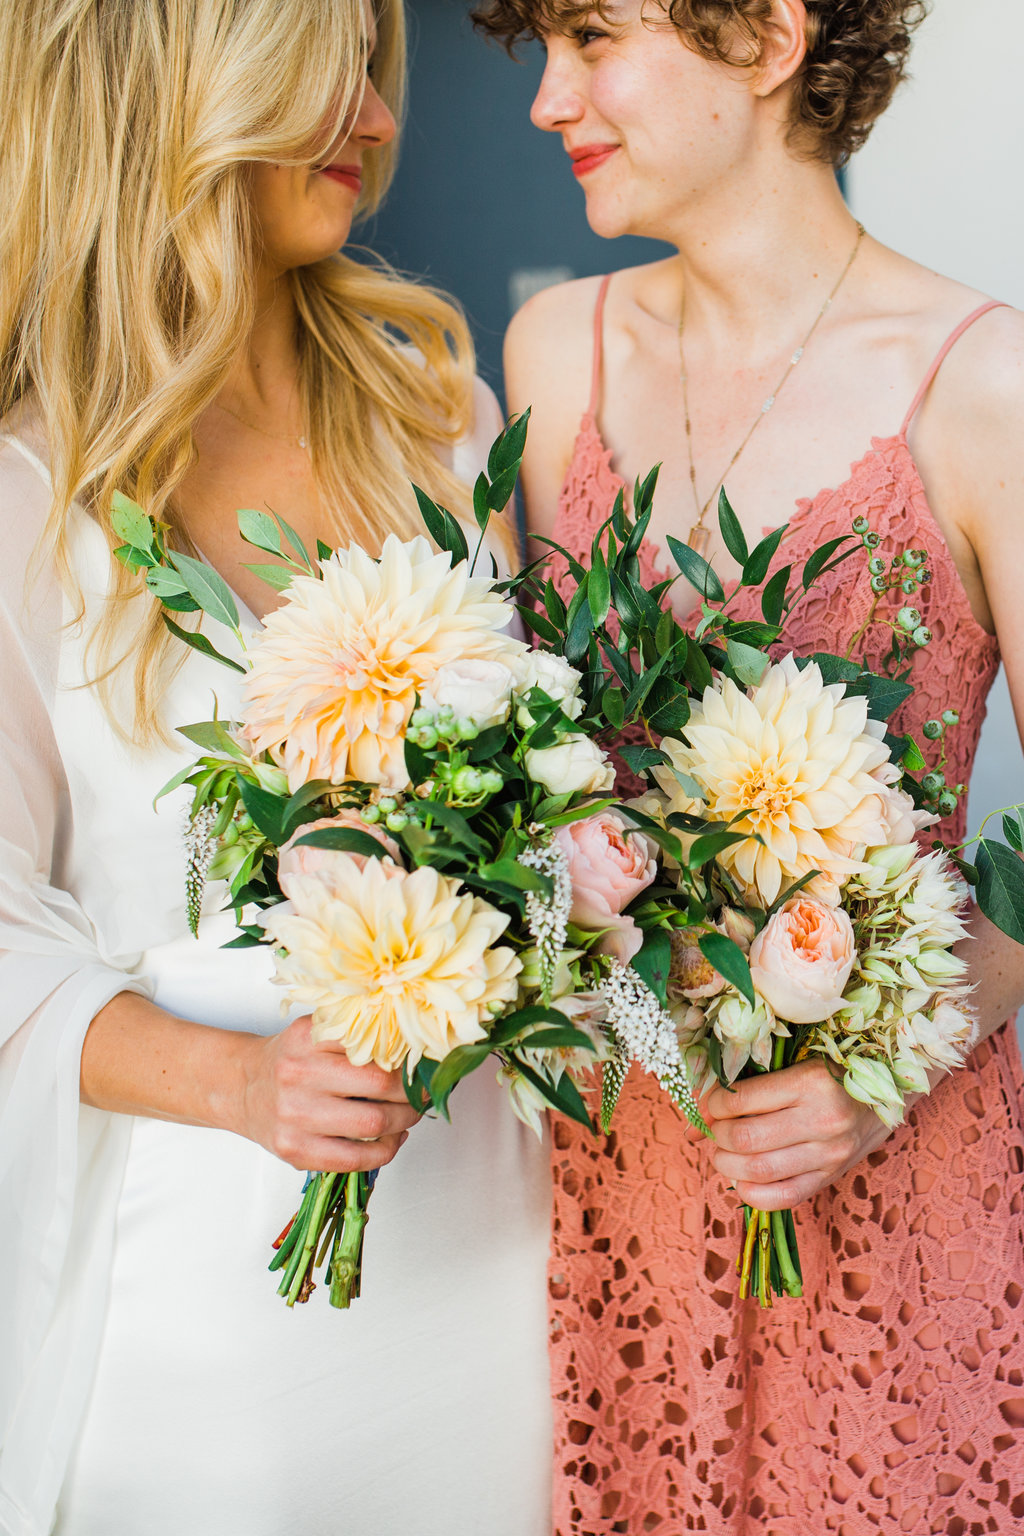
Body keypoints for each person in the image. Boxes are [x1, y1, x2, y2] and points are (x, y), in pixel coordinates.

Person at [0, 3, 553, 1534]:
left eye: (376, 68)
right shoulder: (30, 495)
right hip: (214, 1327)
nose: (374, 116)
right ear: (175, 84)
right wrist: (247, 1083)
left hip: (500, 1277)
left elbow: (554, 802)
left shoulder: (442, 425)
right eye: (324, 69)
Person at [473, 0, 1024, 1529]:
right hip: (600, 1189)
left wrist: (882, 1057)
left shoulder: (989, 387)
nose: (549, 101)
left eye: (593, 36)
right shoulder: (552, 355)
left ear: (768, 37)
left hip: (888, 1188)